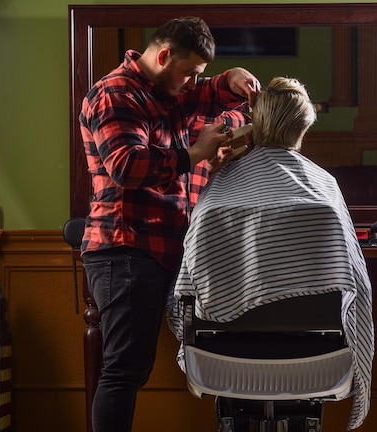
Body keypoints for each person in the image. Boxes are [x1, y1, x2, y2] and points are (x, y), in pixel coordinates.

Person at [78, 16, 260, 432]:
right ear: (163, 56)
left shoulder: (172, 92)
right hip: (124, 248)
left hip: (167, 247)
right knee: (124, 371)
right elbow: (127, 166)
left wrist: (230, 83)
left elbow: (218, 105)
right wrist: (196, 153)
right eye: (191, 73)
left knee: (138, 368)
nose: (196, 83)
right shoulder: (115, 93)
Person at [167, 76, 374, 429]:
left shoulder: (219, 194)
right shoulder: (323, 193)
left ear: (254, 127)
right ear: (302, 128)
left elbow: (187, 291)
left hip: (221, 356)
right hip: (318, 356)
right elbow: (355, 286)